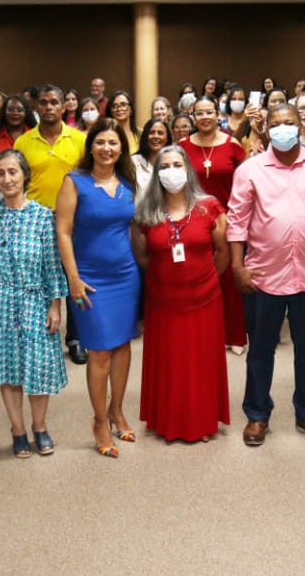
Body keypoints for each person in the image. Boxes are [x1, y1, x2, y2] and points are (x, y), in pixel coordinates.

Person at [227, 102, 305, 447]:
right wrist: (237, 267)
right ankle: (257, 415)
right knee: (260, 351)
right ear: (267, 128)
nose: (284, 128)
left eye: (290, 122)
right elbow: (236, 223)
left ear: (301, 126)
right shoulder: (249, 170)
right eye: (277, 123)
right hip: (263, 276)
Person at [132, 146, 231, 442]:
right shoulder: (144, 213)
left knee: (200, 363)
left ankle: (201, 421)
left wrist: (202, 279)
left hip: (204, 298)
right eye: (164, 166)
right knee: (170, 362)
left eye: (177, 165)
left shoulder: (209, 207)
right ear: (156, 174)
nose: (171, 171)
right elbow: (143, 257)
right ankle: (168, 421)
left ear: (188, 169)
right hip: (163, 299)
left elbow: (222, 252)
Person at [54, 119, 140, 458]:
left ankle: (117, 409)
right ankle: (100, 421)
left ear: (122, 149)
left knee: (123, 346)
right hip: (90, 279)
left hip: (125, 276)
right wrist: (73, 279)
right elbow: (63, 232)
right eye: (101, 142)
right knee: (100, 351)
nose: (107, 148)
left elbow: (133, 229)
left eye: (113, 143)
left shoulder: (128, 183)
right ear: (91, 146)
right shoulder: (74, 182)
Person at [0, 149, 68, 458]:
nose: (7, 179)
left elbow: (53, 265)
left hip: (35, 299)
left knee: (39, 366)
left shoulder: (42, 216)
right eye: (1, 173)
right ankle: (17, 430)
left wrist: (55, 305)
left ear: (25, 176)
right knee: (8, 368)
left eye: (13, 172)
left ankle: (39, 427)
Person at [15, 85, 88, 363]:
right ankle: (40, 335)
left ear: (63, 107)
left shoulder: (79, 140)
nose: (48, 107)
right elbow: (17, 183)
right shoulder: (23, 142)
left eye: (54, 102)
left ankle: (76, 338)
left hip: (73, 221)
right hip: (34, 222)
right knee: (37, 280)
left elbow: (89, 178)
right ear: (36, 107)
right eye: (43, 102)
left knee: (73, 277)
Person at [180, 96, 249, 356]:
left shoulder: (232, 144)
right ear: (193, 116)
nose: (205, 117)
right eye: (199, 113)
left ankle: (235, 335)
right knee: (196, 278)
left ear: (218, 114)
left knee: (229, 280)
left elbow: (246, 183)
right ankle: (199, 334)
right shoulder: (183, 146)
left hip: (227, 220)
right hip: (193, 220)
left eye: (209, 112)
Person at [131, 117, 170, 193]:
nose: (156, 136)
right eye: (151, 132)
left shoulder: (173, 162)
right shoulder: (133, 162)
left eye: (160, 133)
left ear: (167, 138)